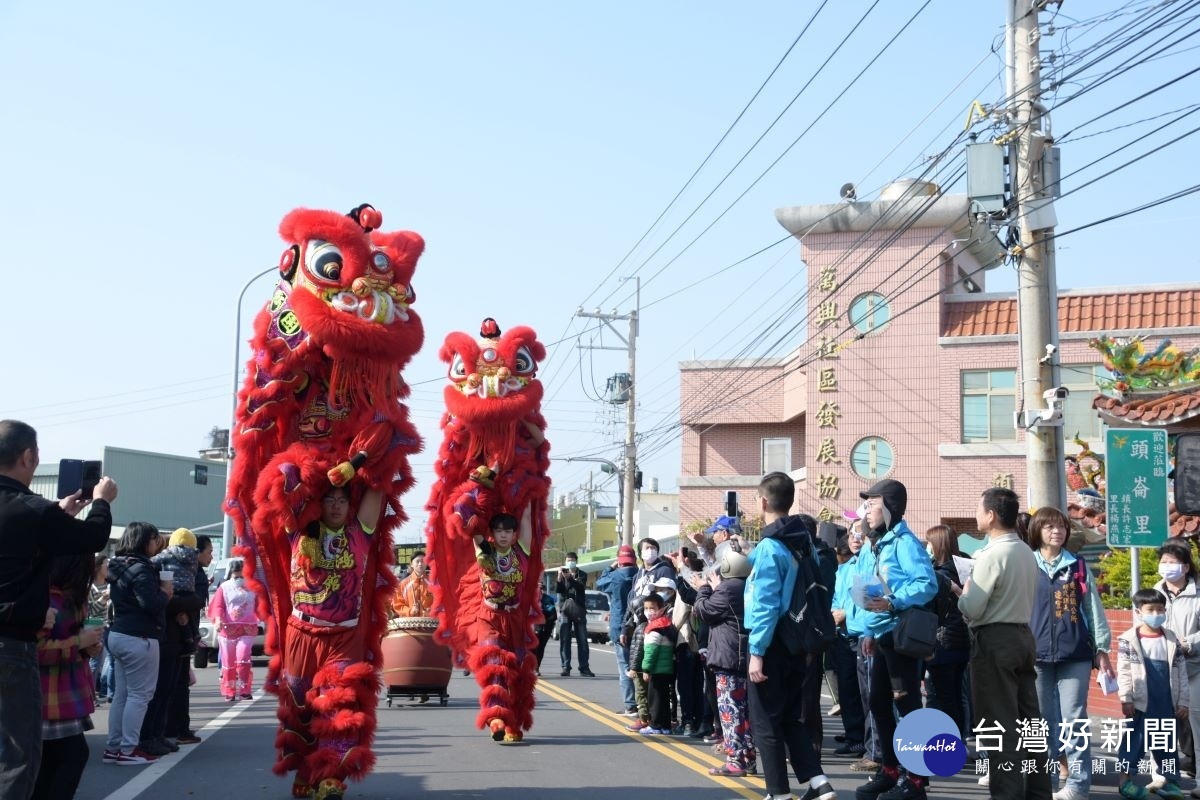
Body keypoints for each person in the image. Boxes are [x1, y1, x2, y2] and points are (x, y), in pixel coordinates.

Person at [0, 419, 116, 799]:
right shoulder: (33, 510)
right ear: (29, 457)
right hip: (11, 646)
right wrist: (101, 501)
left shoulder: (38, 512)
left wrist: (59, 511)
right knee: (19, 757)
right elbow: (94, 536)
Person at [276, 484, 388, 800]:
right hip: (301, 632)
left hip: (344, 635)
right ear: (317, 503)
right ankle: (306, 772)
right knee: (300, 708)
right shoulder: (297, 530)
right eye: (329, 500)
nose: (337, 506)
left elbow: (377, 482)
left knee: (337, 703)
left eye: (342, 500)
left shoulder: (360, 531)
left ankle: (331, 776)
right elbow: (285, 488)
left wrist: (366, 454)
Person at [744, 472, 836, 800]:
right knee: (790, 718)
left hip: (773, 643)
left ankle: (778, 793)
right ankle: (818, 784)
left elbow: (767, 604)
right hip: (799, 642)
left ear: (764, 502)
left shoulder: (771, 547)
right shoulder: (804, 541)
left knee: (766, 722)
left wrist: (757, 650)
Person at [958, 487, 1051, 800]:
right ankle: (1039, 792)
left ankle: (1006, 795)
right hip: (1024, 636)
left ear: (991, 515)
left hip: (995, 640)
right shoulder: (1027, 552)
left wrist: (963, 594)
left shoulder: (991, 554)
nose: (976, 514)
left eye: (978, 508)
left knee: (998, 728)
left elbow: (973, 608)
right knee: (1030, 724)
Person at [853, 479, 937, 800]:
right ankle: (889, 771)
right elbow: (871, 591)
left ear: (890, 507)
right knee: (878, 703)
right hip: (883, 637)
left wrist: (894, 601)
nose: (867, 510)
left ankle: (915, 781)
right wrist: (870, 632)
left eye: (872, 504)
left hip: (903, 636)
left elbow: (926, 584)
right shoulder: (879, 543)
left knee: (908, 706)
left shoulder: (905, 543)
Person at [1026, 507, 1113, 800]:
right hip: (1035, 655)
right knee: (1040, 721)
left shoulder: (1076, 565)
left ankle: (1077, 785)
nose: (1057, 532)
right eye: (1050, 527)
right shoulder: (1026, 564)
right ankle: (1043, 779)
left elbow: (1093, 609)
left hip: (1074, 654)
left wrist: (1101, 648)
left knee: (1074, 719)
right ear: (1037, 531)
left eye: (1061, 527)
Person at [33, 553, 103, 800]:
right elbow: (35, 650)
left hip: (63, 694)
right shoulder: (47, 599)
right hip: (50, 696)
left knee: (50, 762)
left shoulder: (70, 598)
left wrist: (87, 647)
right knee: (71, 757)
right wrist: (79, 643)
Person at [104, 521, 172, 766]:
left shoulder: (118, 565)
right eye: (154, 539)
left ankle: (114, 747)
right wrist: (166, 592)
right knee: (139, 696)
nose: (156, 544)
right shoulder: (142, 569)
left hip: (118, 634)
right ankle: (129, 749)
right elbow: (151, 604)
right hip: (139, 637)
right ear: (144, 541)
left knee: (122, 695)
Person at [469, 508, 536, 743]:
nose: (503, 535)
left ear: (515, 534)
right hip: (489, 616)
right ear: (492, 533)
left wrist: (528, 483)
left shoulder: (522, 551)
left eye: (508, 531)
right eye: (499, 531)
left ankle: (513, 724)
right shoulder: (483, 551)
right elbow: (470, 521)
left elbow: (526, 515)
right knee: (495, 665)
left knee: (515, 673)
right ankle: (495, 717)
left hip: (515, 618)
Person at [1116, 588, 1189, 800]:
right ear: (1138, 612)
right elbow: (1124, 671)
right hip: (1140, 702)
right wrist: (1126, 697)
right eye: (1150, 609)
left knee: (1166, 743)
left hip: (1166, 702)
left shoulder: (1171, 639)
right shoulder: (1128, 639)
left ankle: (1172, 783)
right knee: (1133, 742)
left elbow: (1181, 672)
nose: (1156, 613)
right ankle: (1124, 782)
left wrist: (1183, 701)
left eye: (1160, 609)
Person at [691, 548, 756, 777]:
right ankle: (746, 757)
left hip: (728, 658)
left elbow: (704, 610)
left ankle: (735, 760)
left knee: (730, 712)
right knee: (744, 712)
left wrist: (704, 588)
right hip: (742, 656)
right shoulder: (746, 585)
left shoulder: (728, 588)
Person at [1153, 538, 1200, 784]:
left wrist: (1188, 643)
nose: (1168, 566)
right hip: (1162, 668)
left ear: (1186, 567)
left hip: (1194, 666)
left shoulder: (1197, 593)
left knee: (1197, 724)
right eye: (1164, 561)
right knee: (1161, 726)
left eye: (1174, 562)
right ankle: (1161, 777)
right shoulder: (1154, 592)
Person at [923, 525, 970, 742]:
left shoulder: (937, 575)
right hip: (963, 641)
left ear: (938, 544)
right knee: (955, 695)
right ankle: (957, 740)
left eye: (929, 542)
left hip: (942, 641)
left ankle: (945, 744)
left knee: (940, 695)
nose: (927, 547)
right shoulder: (966, 566)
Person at [167, 533, 213, 747]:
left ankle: (171, 728)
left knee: (172, 684)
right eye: (208, 551)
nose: (211, 556)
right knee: (177, 684)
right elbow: (196, 600)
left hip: (174, 634)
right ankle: (178, 729)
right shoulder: (195, 572)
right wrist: (182, 606)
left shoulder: (164, 565)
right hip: (178, 637)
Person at [830, 530, 869, 761]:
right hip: (843, 634)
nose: (855, 538)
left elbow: (871, 601)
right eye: (852, 533)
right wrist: (834, 612)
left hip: (863, 634)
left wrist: (846, 615)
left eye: (860, 533)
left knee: (866, 692)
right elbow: (837, 598)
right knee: (847, 689)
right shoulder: (844, 567)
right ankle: (854, 737)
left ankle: (867, 741)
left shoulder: (869, 564)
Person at [207, 559, 260, 701]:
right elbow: (218, 606)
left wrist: (263, 617)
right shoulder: (224, 587)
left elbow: (261, 604)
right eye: (236, 576)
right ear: (231, 574)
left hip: (247, 628)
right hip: (227, 629)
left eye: (241, 576)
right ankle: (229, 690)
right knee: (228, 663)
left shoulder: (254, 587)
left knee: (243, 659)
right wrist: (218, 619)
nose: (239, 579)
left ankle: (244, 690)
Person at [596, 544, 638, 715]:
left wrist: (610, 566)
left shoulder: (614, 576)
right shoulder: (641, 575)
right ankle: (645, 704)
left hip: (619, 625)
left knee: (625, 667)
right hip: (640, 625)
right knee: (643, 666)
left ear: (620, 562)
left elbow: (599, 583)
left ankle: (630, 704)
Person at [637, 592, 678, 735]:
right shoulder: (666, 624)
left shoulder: (655, 628)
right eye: (646, 608)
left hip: (657, 669)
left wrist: (646, 669)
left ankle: (655, 725)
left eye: (652, 608)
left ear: (661, 609)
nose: (648, 612)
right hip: (666, 669)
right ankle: (665, 726)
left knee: (654, 700)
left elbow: (651, 652)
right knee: (664, 699)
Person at [556, 551, 592, 677]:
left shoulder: (581, 574)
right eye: (568, 560)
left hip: (579, 610)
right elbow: (560, 591)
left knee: (582, 639)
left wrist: (569, 578)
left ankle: (584, 668)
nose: (570, 562)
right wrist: (560, 579)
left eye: (572, 560)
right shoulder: (562, 573)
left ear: (576, 561)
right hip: (565, 610)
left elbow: (579, 587)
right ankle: (566, 667)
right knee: (565, 639)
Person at [89, 555, 114, 703]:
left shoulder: (110, 584)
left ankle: (109, 693)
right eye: (106, 564)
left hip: (109, 625)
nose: (109, 568)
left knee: (111, 660)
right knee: (94, 662)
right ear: (98, 567)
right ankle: (90, 695)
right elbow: (90, 610)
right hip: (94, 624)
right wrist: (103, 599)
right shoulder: (90, 586)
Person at [392, 551, 434, 618]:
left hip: (429, 625)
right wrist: (410, 611)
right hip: (408, 625)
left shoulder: (433, 583)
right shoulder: (403, 584)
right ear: (411, 564)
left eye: (423, 561)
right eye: (417, 561)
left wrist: (431, 611)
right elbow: (397, 604)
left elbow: (439, 603)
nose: (420, 564)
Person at [533, 585, 557, 676]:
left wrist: (545, 619)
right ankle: (531, 667)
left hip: (545, 627)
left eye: (542, 588)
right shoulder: (531, 598)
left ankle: (537, 667)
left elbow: (553, 615)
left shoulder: (548, 599)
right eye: (538, 588)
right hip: (533, 626)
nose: (540, 590)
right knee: (532, 648)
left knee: (540, 648)